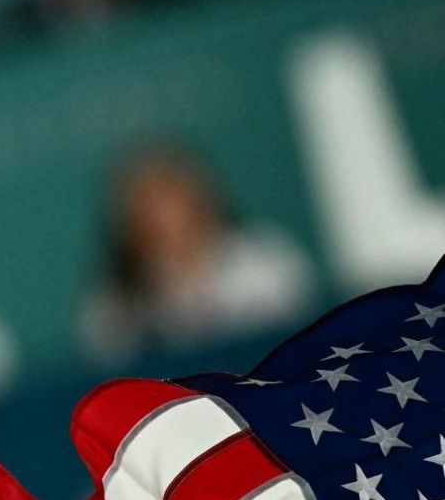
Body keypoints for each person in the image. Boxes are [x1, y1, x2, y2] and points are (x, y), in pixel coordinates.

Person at [78, 145, 315, 368]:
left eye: (172, 196)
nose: (166, 215)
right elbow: (107, 365)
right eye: (148, 204)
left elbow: (302, 335)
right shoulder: (118, 299)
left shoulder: (264, 258)